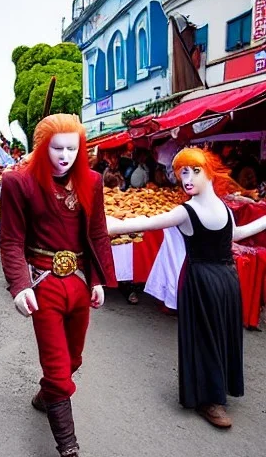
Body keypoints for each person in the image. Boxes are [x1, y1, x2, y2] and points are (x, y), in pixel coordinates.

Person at [107, 148, 266, 429]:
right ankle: (209, 399)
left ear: (210, 173)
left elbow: (236, 235)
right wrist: (111, 225)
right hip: (200, 278)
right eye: (182, 172)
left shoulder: (225, 209)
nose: (187, 178)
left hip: (227, 280)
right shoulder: (185, 211)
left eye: (194, 171)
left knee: (225, 333)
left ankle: (220, 388)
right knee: (204, 337)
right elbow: (147, 223)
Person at [0, 114, 116, 457]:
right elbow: (11, 240)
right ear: (41, 147)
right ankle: (68, 450)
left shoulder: (92, 181)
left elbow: (97, 233)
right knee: (56, 365)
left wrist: (99, 280)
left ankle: (48, 391)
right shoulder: (18, 183)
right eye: (56, 147)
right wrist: (20, 286)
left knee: (74, 357)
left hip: (79, 282)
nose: (65, 155)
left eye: (72, 147)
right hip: (43, 283)